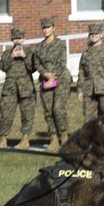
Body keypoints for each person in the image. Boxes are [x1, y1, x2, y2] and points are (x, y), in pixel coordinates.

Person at [31, 17, 71, 151]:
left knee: (58, 109)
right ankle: (53, 138)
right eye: (44, 28)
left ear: (53, 28)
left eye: (48, 27)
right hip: (45, 80)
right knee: (48, 111)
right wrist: (44, 74)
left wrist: (52, 78)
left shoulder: (60, 44)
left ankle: (64, 137)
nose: (46, 30)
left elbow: (62, 63)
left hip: (60, 80)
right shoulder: (40, 47)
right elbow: (37, 63)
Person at [0, 28, 36, 150]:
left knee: (27, 115)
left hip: (26, 89)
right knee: (6, 114)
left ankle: (25, 140)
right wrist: (11, 56)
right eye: (15, 38)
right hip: (10, 88)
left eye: (19, 38)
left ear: (24, 39)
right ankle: (3, 139)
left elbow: (33, 68)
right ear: (12, 40)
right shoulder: (7, 53)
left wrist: (24, 56)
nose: (17, 41)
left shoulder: (29, 53)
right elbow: (2, 67)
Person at [77, 22, 104, 120]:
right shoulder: (86, 52)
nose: (94, 36)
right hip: (89, 91)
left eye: (96, 34)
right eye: (91, 34)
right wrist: (80, 90)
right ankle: (92, 135)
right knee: (89, 119)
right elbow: (81, 71)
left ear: (101, 35)